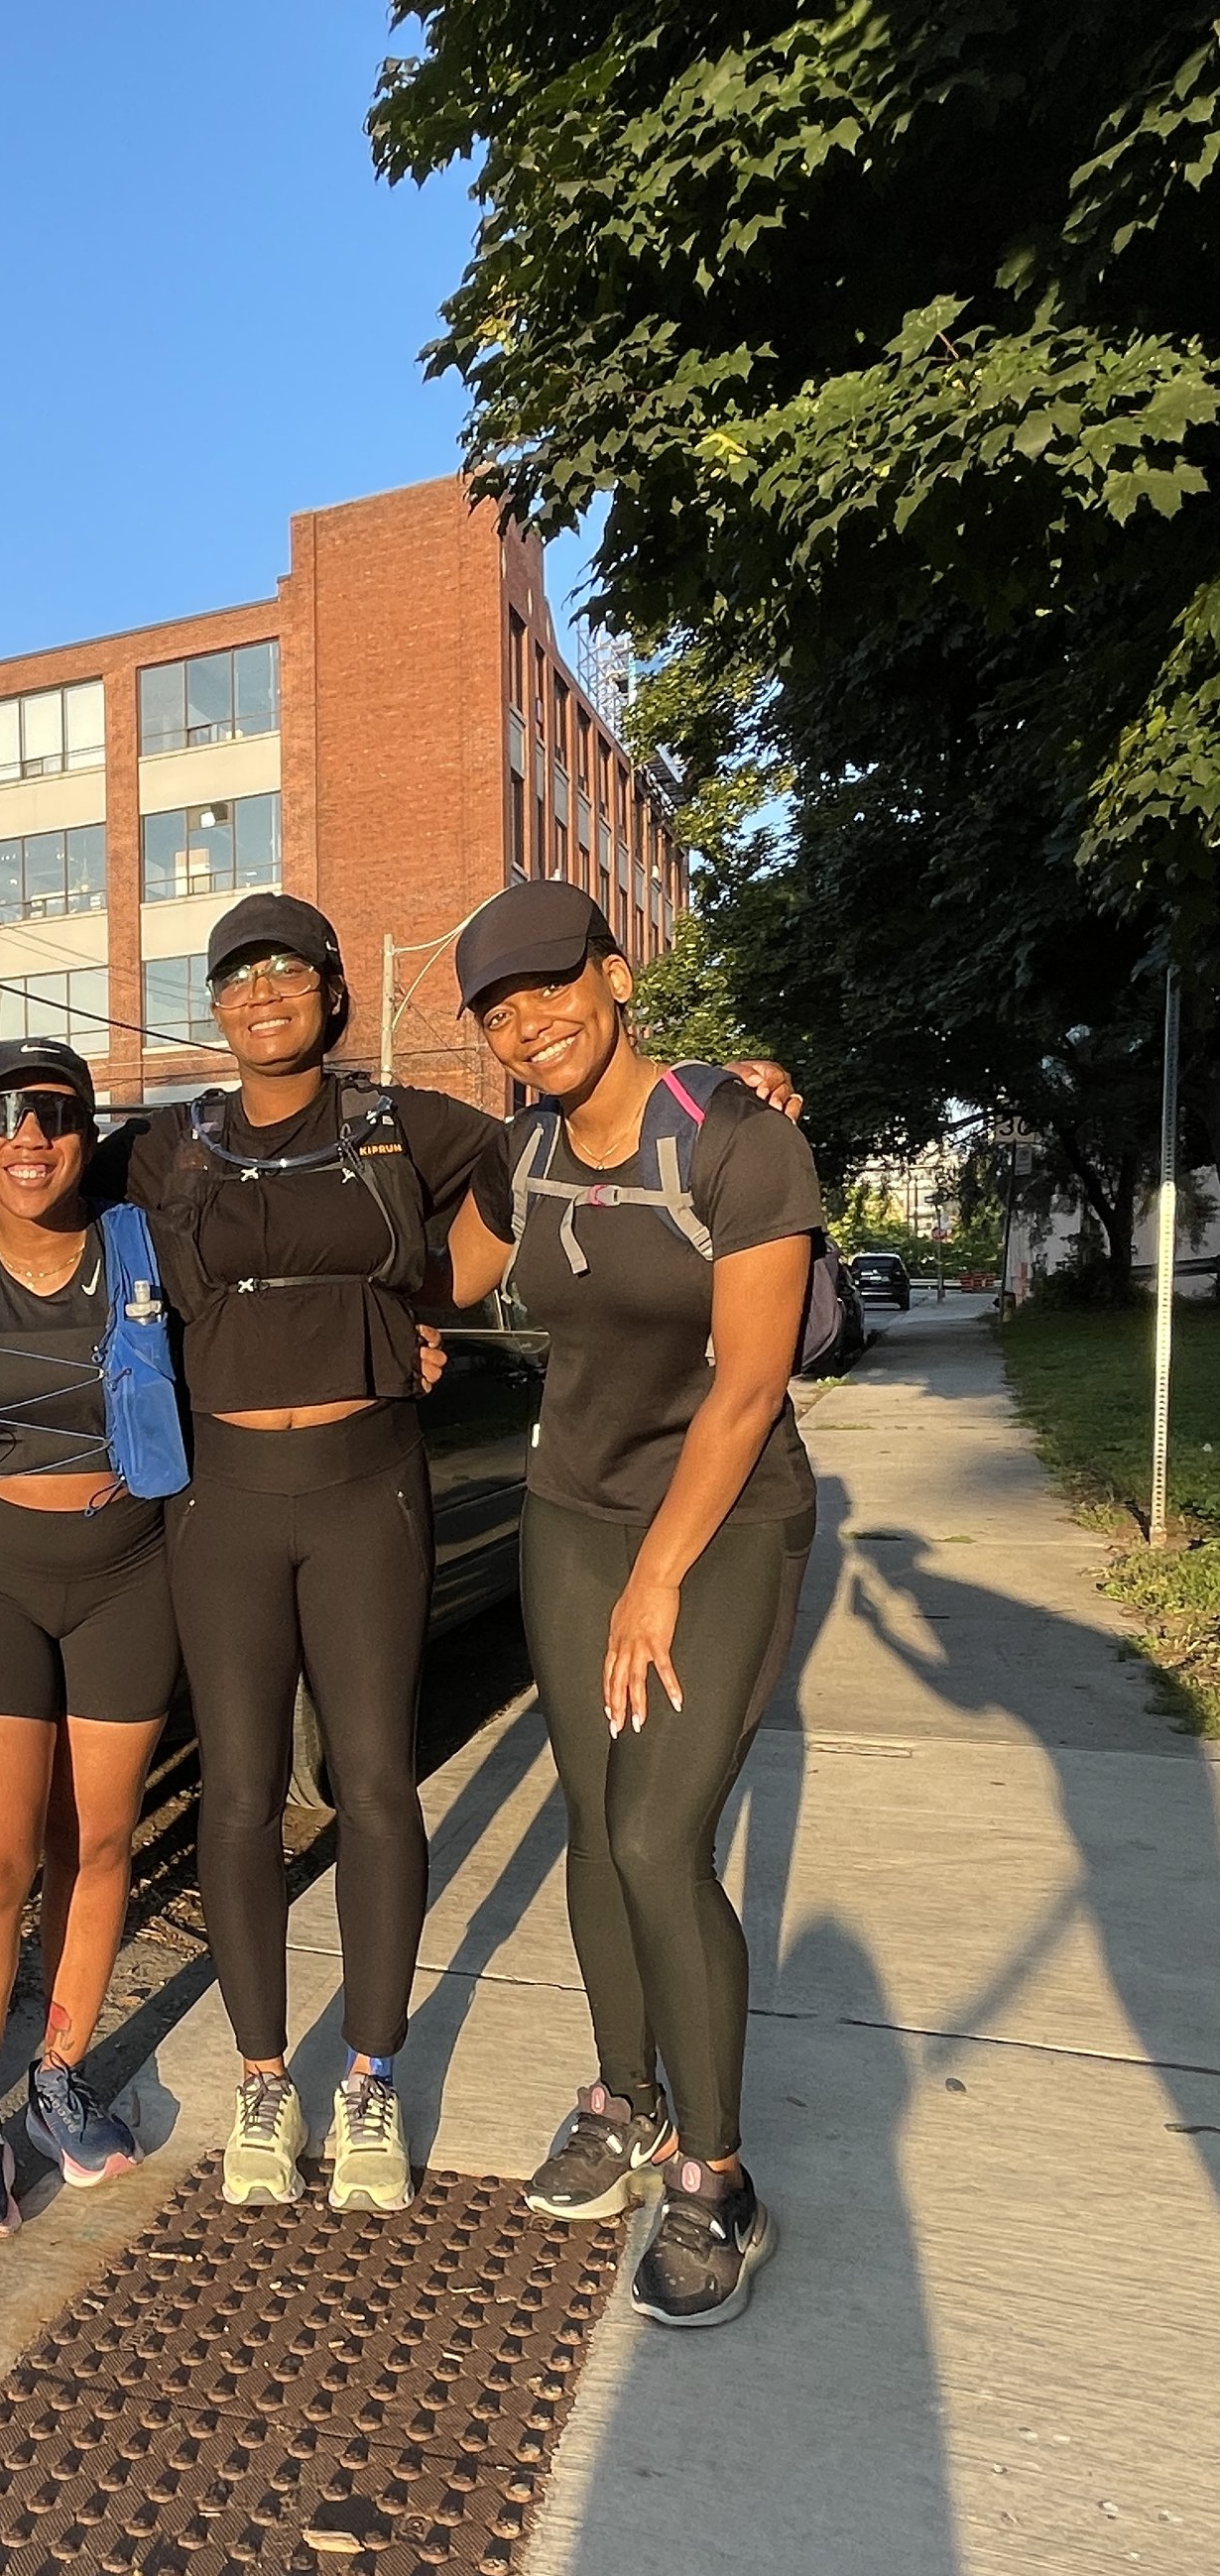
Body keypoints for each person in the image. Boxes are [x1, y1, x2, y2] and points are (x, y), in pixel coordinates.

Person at [438, 880, 822, 2328]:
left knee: (661, 1836)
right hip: (571, 1516)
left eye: (549, 984)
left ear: (613, 974)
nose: (526, 1019)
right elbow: (432, 1276)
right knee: (594, 1824)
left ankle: (717, 2180)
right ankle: (625, 2096)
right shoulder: (524, 1153)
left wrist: (657, 1576)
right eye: (496, 1005)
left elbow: (748, 1384)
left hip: (721, 1525)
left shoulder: (736, 1132)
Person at [114, 893, 498, 2216]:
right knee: (238, 1788)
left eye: (286, 972)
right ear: (213, 1010)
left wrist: (428, 1303)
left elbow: (537, 1166)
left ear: (333, 994)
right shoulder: (169, 1146)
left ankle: (373, 2076)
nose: (261, 994)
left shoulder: (401, 1124)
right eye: (235, 978)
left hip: (364, 1491)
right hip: (222, 1499)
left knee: (378, 1782)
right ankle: (267, 2074)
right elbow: (29, 1197)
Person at [0, 1039, 191, 2242]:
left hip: (128, 1566)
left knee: (97, 1840)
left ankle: (58, 2078)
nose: (29, 1136)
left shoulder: (147, 1247)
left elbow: (302, 1269)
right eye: (3, 1115)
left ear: (88, 1132)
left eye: (55, 1114)